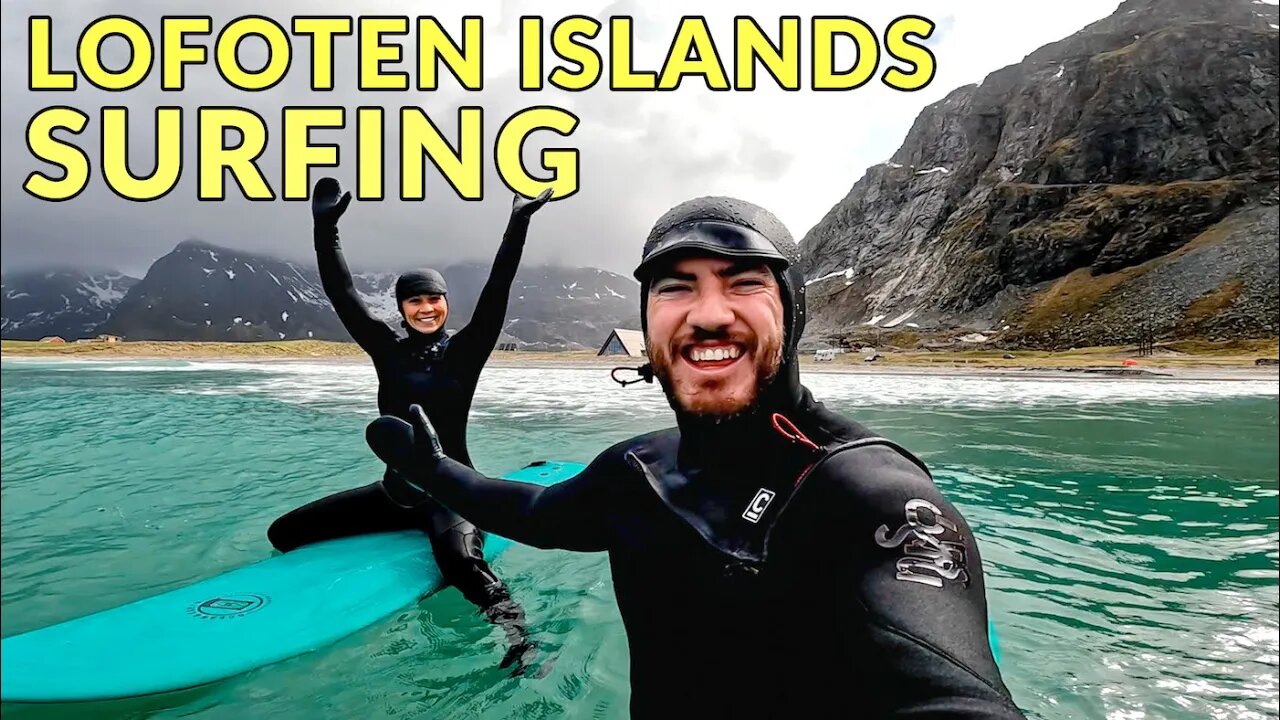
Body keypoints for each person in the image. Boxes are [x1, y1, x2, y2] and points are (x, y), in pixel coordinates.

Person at [364, 196, 1026, 718]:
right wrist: (434, 471)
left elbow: (951, 692)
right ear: (649, 323)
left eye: (743, 283)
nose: (708, 314)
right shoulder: (635, 473)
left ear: (791, 313)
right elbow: (537, 512)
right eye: (675, 287)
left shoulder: (868, 491)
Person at [267, 177, 553, 675]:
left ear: (445, 302)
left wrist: (518, 222)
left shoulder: (467, 351)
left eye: (434, 299)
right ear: (401, 307)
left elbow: (497, 289)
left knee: (464, 567)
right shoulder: (386, 349)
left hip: (452, 494)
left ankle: (522, 639)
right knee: (285, 533)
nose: (426, 308)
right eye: (415, 301)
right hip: (395, 494)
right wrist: (325, 228)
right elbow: (343, 291)